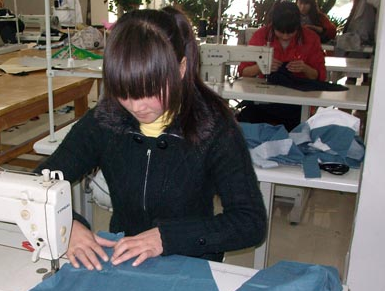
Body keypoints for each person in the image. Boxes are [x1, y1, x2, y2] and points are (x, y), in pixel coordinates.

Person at [34, 7, 267, 270]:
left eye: (150, 91)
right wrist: (67, 225)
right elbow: (38, 183)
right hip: (124, 260)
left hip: (191, 262)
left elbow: (250, 222)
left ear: (180, 69)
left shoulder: (214, 127)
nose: (136, 106)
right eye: (124, 91)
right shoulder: (107, 118)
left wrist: (167, 238)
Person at [237, 1, 326, 130]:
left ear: (298, 26)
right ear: (273, 25)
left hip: (297, 103)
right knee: (244, 122)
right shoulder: (261, 36)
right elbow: (243, 71)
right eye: (280, 32)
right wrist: (261, 67)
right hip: (264, 101)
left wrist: (305, 68)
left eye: (290, 32)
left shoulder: (310, 39)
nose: (285, 36)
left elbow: (320, 76)